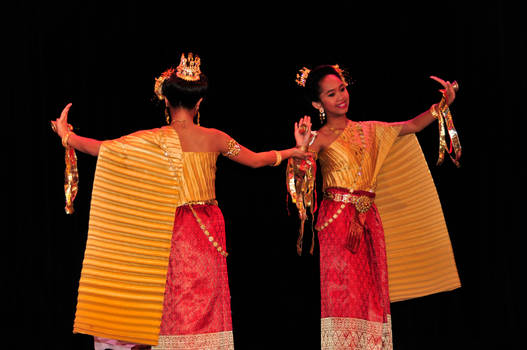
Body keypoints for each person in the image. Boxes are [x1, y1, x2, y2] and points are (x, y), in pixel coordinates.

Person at [51, 53, 311, 350]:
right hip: (206, 229)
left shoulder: (151, 139)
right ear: (199, 103)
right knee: (202, 304)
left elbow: (104, 150)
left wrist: (67, 137)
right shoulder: (214, 137)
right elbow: (257, 161)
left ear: (166, 101)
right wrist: (294, 150)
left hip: (168, 227)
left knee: (172, 302)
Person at [287, 64, 461, 349]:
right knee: (344, 293)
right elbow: (300, 185)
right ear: (318, 103)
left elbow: (412, 126)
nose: (341, 97)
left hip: (368, 220)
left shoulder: (370, 131)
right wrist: (301, 149)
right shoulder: (317, 139)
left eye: (342, 89)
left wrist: (442, 104)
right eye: (331, 94)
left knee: (372, 293)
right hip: (337, 223)